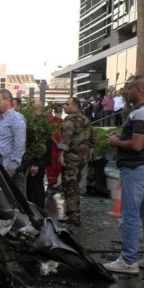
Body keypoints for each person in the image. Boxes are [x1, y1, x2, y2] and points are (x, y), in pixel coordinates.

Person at [104, 75, 144, 274]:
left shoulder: (142, 113)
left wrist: (115, 143)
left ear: (139, 90)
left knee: (130, 215)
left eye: (129, 88)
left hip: (137, 169)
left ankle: (128, 261)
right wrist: (122, 137)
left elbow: (137, 145)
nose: (126, 92)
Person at [56, 97, 93, 227]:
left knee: (70, 185)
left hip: (72, 157)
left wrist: (61, 155)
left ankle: (74, 215)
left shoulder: (70, 120)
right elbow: (91, 139)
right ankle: (73, 213)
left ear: (76, 106)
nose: (64, 106)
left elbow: (66, 139)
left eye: (67, 104)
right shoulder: (86, 119)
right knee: (75, 183)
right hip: (82, 158)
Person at [0, 89, 26, 192]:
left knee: (9, 203)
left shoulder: (16, 118)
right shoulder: (2, 119)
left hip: (7, 170)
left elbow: (20, 144)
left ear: (8, 100)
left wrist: (13, 166)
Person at [25, 100, 49, 208]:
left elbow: (41, 146)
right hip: (37, 161)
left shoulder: (40, 123)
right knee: (33, 185)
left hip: (38, 161)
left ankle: (38, 209)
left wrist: (37, 164)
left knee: (36, 186)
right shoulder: (40, 121)